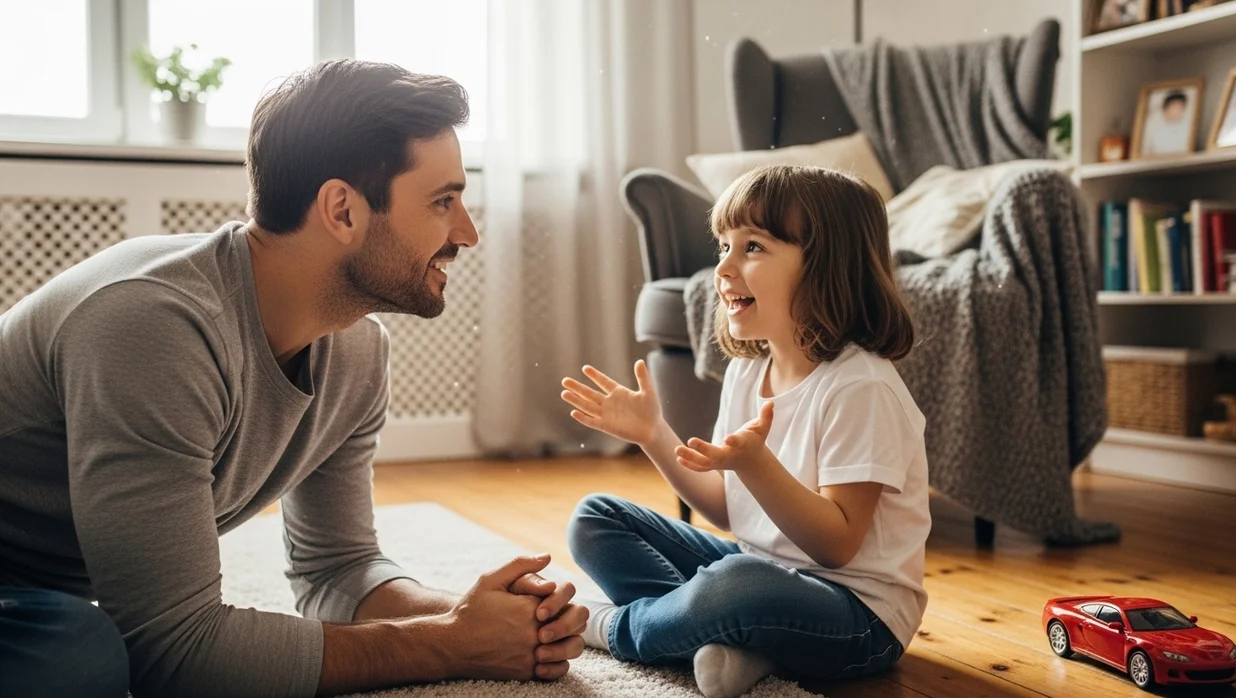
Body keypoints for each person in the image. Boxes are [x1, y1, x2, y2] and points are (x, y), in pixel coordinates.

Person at [0, 60, 586, 697]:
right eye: (442, 201)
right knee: (78, 658)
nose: (467, 233)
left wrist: (485, 620)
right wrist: (447, 645)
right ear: (342, 210)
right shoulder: (155, 326)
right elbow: (176, 655)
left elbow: (338, 569)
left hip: (33, 590)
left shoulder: (356, 351)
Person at [560, 165, 931, 697]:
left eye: (752, 247)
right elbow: (727, 511)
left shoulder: (862, 387)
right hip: (759, 574)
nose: (723, 268)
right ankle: (735, 645)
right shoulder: (747, 371)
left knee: (736, 584)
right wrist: (654, 434)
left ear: (827, 265)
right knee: (596, 518)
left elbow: (837, 546)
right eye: (723, 246)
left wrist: (758, 466)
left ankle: (613, 627)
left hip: (859, 617)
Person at [1141, 89, 1192, 155]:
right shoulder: (1154, 129)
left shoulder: (1188, 129)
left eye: (1180, 108)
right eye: (1174, 107)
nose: (1177, 112)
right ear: (1165, 109)